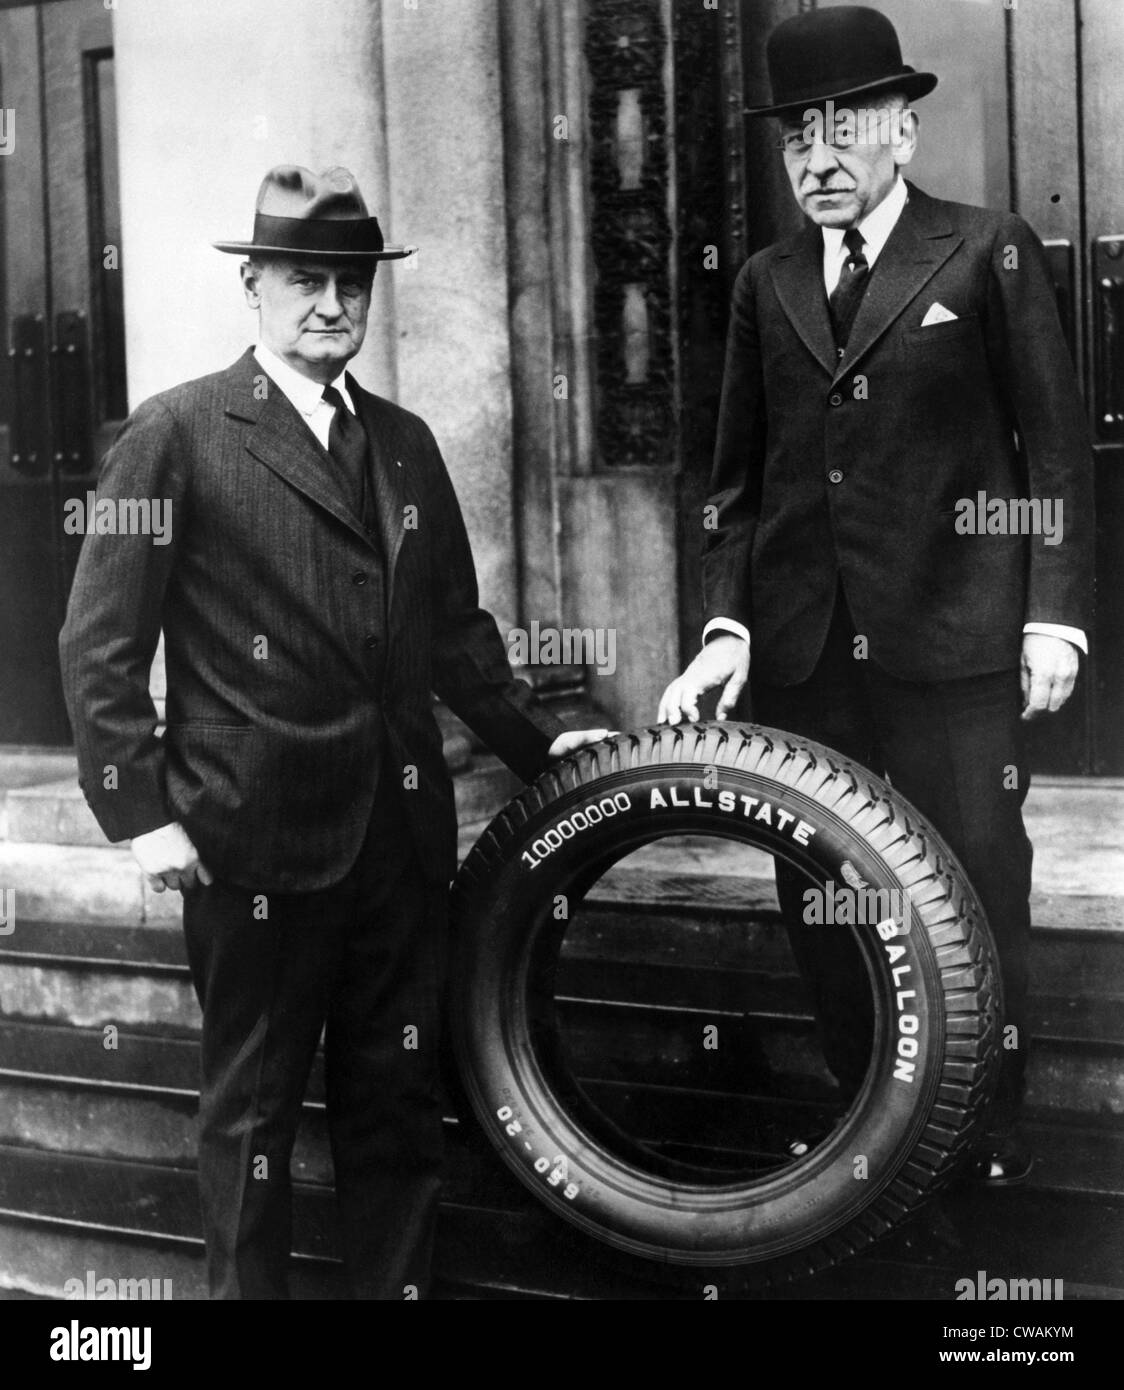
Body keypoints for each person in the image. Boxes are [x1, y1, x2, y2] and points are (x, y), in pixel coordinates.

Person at [59, 164, 606, 1298]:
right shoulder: (175, 434)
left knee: (396, 1113)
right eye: (303, 279)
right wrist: (140, 814)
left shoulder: (403, 442)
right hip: (252, 845)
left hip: (400, 850)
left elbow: (454, 633)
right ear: (252, 286)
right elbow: (97, 644)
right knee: (253, 1123)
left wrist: (534, 743)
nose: (329, 305)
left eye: (350, 283)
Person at [658, 6, 1092, 1184]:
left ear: (902, 130)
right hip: (804, 653)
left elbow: (1050, 452)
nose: (820, 159)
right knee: (824, 898)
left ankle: (984, 1135)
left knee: (975, 874)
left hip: (953, 639)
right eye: (798, 137)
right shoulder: (764, 281)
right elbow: (729, 483)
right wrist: (722, 628)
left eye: (845, 128)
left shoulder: (984, 249)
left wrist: (1050, 612)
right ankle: (861, 1130)